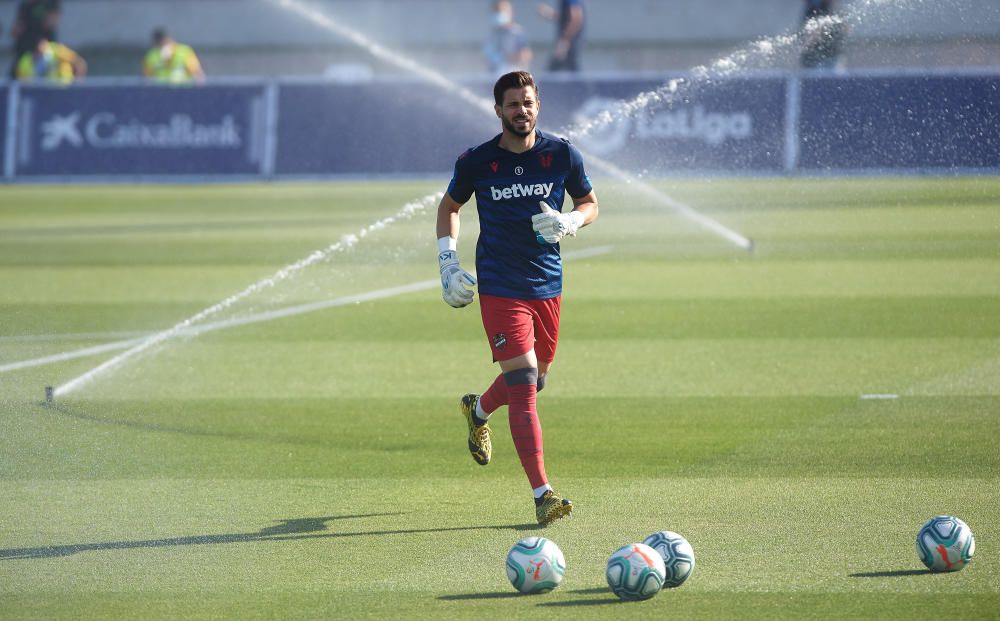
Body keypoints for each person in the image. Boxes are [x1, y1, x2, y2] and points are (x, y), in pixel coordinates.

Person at [436, 70, 599, 526]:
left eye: (527, 102)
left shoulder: (562, 154)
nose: (520, 111)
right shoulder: (477, 161)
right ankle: (542, 493)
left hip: (548, 284)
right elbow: (449, 208)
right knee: (526, 381)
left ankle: (478, 409)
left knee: (536, 379)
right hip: (500, 285)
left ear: (538, 105)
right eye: (512, 104)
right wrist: (447, 262)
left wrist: (572, 222)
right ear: (498, 111)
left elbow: (591, 203)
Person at [8, 0, 60, 79]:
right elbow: (17, 29)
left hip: (45, 49)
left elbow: (51, 22)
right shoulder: (25, 5)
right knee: (16, 75)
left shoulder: (49, 3)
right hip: (25, 49)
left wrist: (42, 44)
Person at [483, 0, 532, 77]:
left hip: (513, 77)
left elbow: (525, 55)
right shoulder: (493, 34)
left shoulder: (517, 32)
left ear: (510, 13)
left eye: (500, 11)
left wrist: (506, 58)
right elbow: (488, 56)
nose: (497, 14)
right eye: (495, 12)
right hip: (494, 77)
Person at [537, 0, 584, 72]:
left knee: (552, 71)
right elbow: (566, 17)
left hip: (570, 44)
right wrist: (550, 13)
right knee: (556, 70)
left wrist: (564, 41)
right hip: (568, 44)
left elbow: (576, 19)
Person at [15, 35, 85, 83]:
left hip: (62, 91)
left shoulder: (57, 50)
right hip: (38, 93)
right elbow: (20, 81)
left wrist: (77, 85)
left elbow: (79, 63)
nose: (39, 54)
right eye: (37, 52)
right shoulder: (26, 60)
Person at [800, 0, 847, 70]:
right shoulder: (811, 10)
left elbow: (843, 29)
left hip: (831, 55)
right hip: (812, 58)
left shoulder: (834, 11)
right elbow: (806, 37)